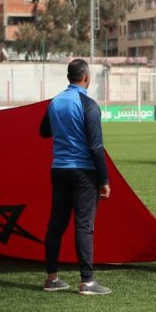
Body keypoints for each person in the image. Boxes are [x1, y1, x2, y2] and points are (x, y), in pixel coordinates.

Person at [39, 58, 111, 295]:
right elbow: (96, 147)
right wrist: (104, 180)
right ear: (86, 77)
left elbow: (44, 131)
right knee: (84, 226)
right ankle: (87, 282)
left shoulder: (55, 101)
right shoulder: (87, 104)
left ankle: (51, 278)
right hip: (83, 173)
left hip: (58, 170)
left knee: (56, 225)